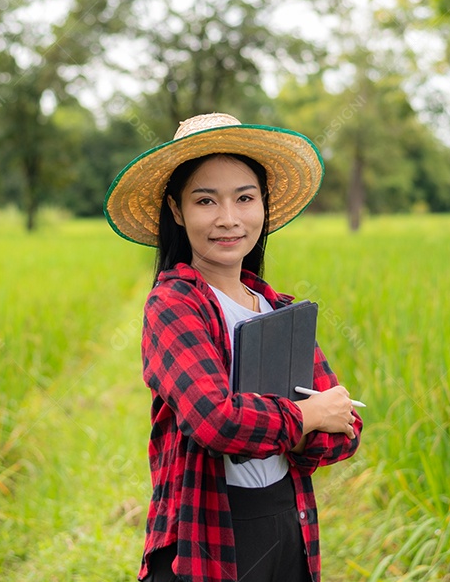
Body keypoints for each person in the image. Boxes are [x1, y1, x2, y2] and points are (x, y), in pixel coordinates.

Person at [104, 112, 363, 582]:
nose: (228, 219)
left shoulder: (277, 309)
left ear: (263, 206)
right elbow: (215, 421)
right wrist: (305, 418)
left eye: (245, 198)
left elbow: (346, 430)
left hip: (288, 523)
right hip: (208, 534)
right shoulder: (174, 305)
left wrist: (304, 424)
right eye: (206, 201)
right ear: (178, 211)